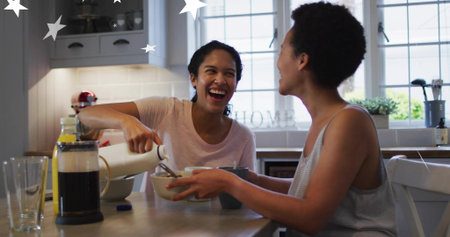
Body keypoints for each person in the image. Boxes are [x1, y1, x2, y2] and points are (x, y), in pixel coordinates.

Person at [168, 2, 397, 236]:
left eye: (282, 51)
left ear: (302, 60)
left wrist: (230, 184)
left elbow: (310, 217)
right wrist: (250, 179)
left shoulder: (349, 123)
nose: (277, 63)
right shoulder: (328, 121)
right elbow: (308, 193)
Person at [78, 40, 256, 192]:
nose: (220, 80)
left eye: (229, 74)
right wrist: (126, 121)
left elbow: (246, 194)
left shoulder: (243, 137)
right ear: (193, 79)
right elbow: (87, 114)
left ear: (236, 84)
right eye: (211, 71)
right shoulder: (165, 110)